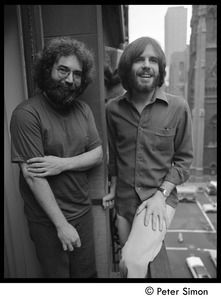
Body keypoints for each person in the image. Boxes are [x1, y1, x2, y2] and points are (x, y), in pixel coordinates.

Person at [10, 37, 103, 278]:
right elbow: (32, 177)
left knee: (88, 278)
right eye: (63, 69)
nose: (70, 79)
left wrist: (62, 164)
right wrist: (62, 225)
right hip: (48, 222)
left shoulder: (82, 110)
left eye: (77, 74)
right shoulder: (26, 113)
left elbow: (97, 154)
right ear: (47, 68)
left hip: (82, 213)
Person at [103, 36, 193, 278]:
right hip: (123, 202)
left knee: (131, 262)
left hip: (158, 201)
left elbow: (184, 162)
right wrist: (112, 187)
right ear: (127, 68)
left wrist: (160, 196)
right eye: (139, 60)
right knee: (130, 260)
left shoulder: (178, 107)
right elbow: (114, 154)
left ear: (160, 69)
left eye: (153, 60)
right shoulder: (112, 109)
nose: (147, 65)